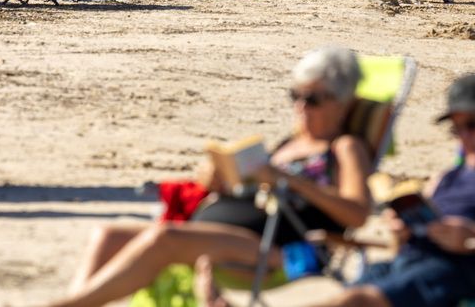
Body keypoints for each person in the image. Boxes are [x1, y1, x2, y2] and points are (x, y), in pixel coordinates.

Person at [47, 48, 373, 307]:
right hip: (228, 233)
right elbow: (257, 189)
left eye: (312, 99)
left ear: (341, 103)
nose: (301, 107)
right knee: (108, 235)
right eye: (295, 96)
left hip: (281, 249)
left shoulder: (344, 147)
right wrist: (223, 179)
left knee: (165, 239)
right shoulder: (291, 143)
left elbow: (358, 213)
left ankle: (64, 306)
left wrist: (283, 179)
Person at [310, 73, 475, 307]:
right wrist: (401, 233)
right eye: (456, 129)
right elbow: (399, 248)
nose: (465, 137)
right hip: (410, 266)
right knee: (346, 298)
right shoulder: (447, 177)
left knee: (354, 303)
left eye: (472, 124)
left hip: (467, 271)